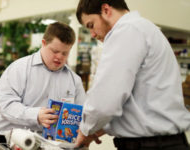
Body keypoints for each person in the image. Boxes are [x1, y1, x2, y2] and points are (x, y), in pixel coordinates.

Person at [75, 0, 190, 149]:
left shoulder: (125, 30)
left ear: (106, 10)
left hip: (150, 145)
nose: (93, 34)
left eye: (91, 25)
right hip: (165, 142)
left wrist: (85, 129)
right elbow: (136, 104)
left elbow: (106, 100)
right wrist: (96, 130)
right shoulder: (145, 28)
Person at [0, 22, 86, 144]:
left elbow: (82, 113)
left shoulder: (74, 80)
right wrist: (36, 115)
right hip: (11, 139)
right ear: (43, 43)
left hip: (50, 143)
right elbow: (5, 105)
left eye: (65, 53)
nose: (59, 57)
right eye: (55, 51)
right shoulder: (19, 69)